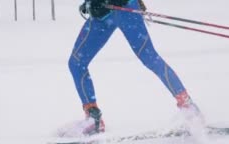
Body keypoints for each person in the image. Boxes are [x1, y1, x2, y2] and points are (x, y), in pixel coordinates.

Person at [66, 0, 204, 136]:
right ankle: (93, 117)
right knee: (76, 62)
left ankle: (188, 106)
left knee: (149, 57)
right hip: (102, 13)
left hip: (124, 7)